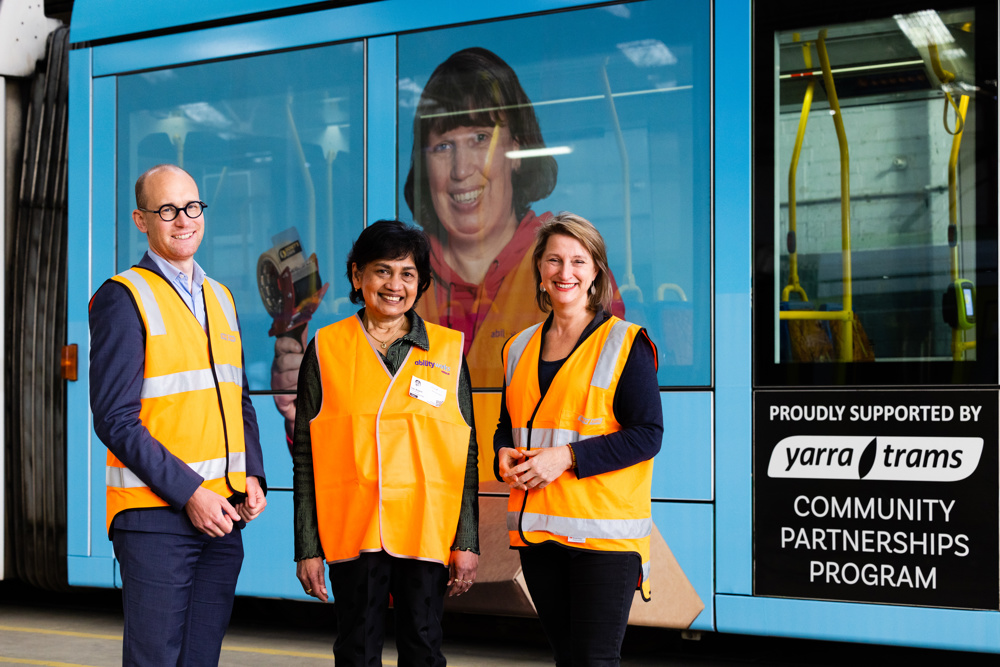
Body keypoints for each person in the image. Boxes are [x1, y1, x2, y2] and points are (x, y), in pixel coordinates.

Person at [272, 48, 625, 430]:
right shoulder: (399, 286)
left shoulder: (567, 272)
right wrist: (304, 409)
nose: (461, 170)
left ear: (517, 148)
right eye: (443, 146)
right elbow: (364, 428)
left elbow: (608, 412)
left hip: (531, 470)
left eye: (479, 138)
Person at [89, 164, 267, 666]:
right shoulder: (123, 297)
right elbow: (115, 419)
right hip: (154, 520)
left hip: (223, 515)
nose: (184, 220)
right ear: (141, 220)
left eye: (191, 207)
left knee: (200, 659)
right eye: (167, 210)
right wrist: (191, 493)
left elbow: (238, 397)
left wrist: (252, 473)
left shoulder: (221, 296)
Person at [292, 220, 479, 666]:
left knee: (423, 650)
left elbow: (465, 455)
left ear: (421, 282)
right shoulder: (326, 348)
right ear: (357, 276)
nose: (395, 285)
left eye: (407, 273)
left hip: (426, 531)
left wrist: (467, 541)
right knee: (356, 652)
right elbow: (305, 456)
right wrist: (307, 547)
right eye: (382, 271)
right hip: (354, 532)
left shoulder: (448, 351)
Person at [494, 213, 662, 666]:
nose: (564, 271)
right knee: (568, 659)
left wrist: (566, 457)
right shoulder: (518, 347)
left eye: (578, 261)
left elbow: (648, 435)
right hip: (539, 537)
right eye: (553, 260)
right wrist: (501, 454)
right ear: (539, 269)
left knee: (593, 660)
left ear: (596, 272)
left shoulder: (624, 342)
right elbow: (507, 425)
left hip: (603, 541)